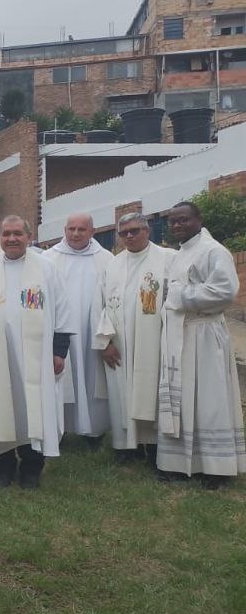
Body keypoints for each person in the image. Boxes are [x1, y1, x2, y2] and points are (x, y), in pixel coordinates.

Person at [0, 216, 71, 489]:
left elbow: (62, 310)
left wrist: (59, 350)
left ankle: (31, 466)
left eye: (18, 233)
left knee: (32, 408)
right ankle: (3, 465)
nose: (12, 239)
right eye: (6, 234)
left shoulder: (46, 269)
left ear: (28, 236)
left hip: (36, 358)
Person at [155, 201, 246, 487]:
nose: (177, 225)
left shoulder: (213, 250)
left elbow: (225, 290)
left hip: (204, 334)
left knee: (209, 400)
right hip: (179, 335)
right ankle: (180, 463)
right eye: (172, 221)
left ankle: (217, 469)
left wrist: (182, 295)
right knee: (181, 399)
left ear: (198, 220)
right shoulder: (180, 254)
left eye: (183, 220)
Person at [94, 213, 173, 460]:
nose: (129, 236)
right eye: (124, 232)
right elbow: (101, 305)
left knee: (152, 393)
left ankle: (155, 446)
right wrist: (104, 342)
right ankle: (126, 446)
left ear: (147, 231)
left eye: (134, 230)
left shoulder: (168, 259)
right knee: (121, 394)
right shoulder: (113, 264)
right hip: (119, 343)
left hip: (154, 341)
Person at [46, 213, 111, 445]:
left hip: (91, 331)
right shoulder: (49, 258)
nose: (75, 234)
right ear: (64, 230)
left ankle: (93, 430)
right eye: (71, 229)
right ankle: (59, 429)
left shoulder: (106, 259)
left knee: (92, 378)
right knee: (60, 379)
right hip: (59, 331)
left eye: (81, 230)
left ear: (92, 232)